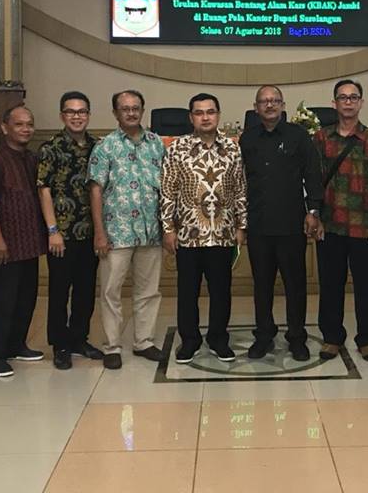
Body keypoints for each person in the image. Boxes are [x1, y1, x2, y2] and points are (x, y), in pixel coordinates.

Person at [161, 93, 247, 364]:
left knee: (221, 291)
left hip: (223, 233)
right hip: (188, 234)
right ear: (191, 117)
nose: (205, 117)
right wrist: (168, 228)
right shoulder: (177, 148)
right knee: (188, 292)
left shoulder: (232, 148)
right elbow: (167, 190)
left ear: (218, 115)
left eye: (210, 112)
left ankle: (218, 338)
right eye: (199, 113)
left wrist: (241, 225)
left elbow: (240, 189)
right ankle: (190, 340)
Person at [239, 85, 323, 361]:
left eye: (275, 100)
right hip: (259, 224)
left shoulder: (298, 136)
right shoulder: (247, 139)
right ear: (255, 108)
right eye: (264, 101)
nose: (270, 105)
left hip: (291, 224)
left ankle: (297, 337)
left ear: (283, 105)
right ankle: (264, 335)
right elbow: (239, 180)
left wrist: (313, 210)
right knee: (262, 285)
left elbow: (312, 174)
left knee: (295, 285)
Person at [313, 79, 368, 363]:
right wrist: (315, 215)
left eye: (353, 97)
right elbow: (313, 181)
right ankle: (332, 337)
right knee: (330, 285)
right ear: (334, 103)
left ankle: (367, 339)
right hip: (330, 224)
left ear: (361, 102)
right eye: (343, 97)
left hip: (364, 225)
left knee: (365, 285)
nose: (348, 102)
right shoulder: (321, 138)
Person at [89, 90, 166, 369]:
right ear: (115, 113)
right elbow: (96, 190)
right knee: (111, 291)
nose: (131, 113)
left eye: (136, 108)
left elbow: (167, 187)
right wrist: (99, 232)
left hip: (151, 231)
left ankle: (144, 341)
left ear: (142, 111)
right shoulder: (105, 146)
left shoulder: (157, 144)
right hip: (116, 232)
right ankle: (112, 346)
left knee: (148, 290)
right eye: (125, 108)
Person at [0, 105, 46, 377]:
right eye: (19, 124)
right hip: (5, 244)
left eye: (29, 124)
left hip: (29, 243)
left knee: (26, 298)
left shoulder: (32, 159)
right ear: (5, 128)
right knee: (2, 301)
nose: (26, 129)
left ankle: (16, 345)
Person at [37, 91, 102, 371]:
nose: (77, 116)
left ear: (88, 115)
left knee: (86, 291)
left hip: (90, 232)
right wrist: (52, 230)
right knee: (60, 291)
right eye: (71, 112)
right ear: (62, 115)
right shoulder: (51, 147)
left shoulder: (97, 147)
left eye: (82, 111)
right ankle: (60, 344)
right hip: (61, 235)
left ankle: (79, 339)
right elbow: (44, 189)